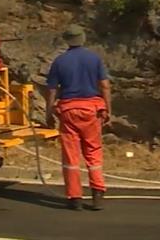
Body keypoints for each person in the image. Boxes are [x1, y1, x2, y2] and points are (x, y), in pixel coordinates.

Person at [45, 24, 111, 211]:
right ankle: (97, 194)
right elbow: (105, 86)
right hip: (91, 111)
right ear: (83, 38)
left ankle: (75, 198)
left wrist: (49, 113)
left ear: (67, 40)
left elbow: (52, 90)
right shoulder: (94, 59)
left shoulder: (59, 61)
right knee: (93, 152)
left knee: (71, 156)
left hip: (68, 112)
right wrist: (107, 109)